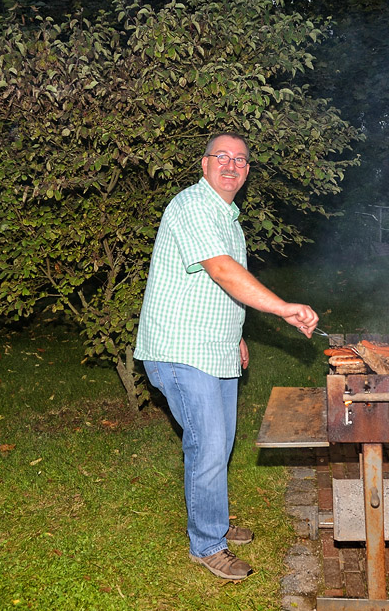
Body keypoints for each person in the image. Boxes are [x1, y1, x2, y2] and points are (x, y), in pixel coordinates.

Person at [135, 132, 319, 580]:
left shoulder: (228, 217)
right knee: (208, 444)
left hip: (214, 347)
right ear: (204, 164)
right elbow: (220, 269)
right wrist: (282, 308)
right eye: (222, 157)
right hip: (180, 349)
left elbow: (221, 286)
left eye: (241, 159)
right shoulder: (192, 205)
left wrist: (236, 334)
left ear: (248, 171)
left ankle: (212, 519)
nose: (231, 165)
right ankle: (207, 544)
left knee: (220, 442)